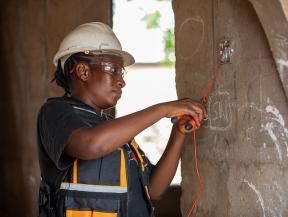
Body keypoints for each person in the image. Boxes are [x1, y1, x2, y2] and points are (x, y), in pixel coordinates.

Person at [37, 22, 207, 217]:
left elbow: (154, 189)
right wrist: (163, 109)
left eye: (122, 72)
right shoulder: (55, 113)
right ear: (83, 71)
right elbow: (91, 145)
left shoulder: (113, 130)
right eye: (113, 70)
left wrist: (177, 133)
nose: (122, 81)